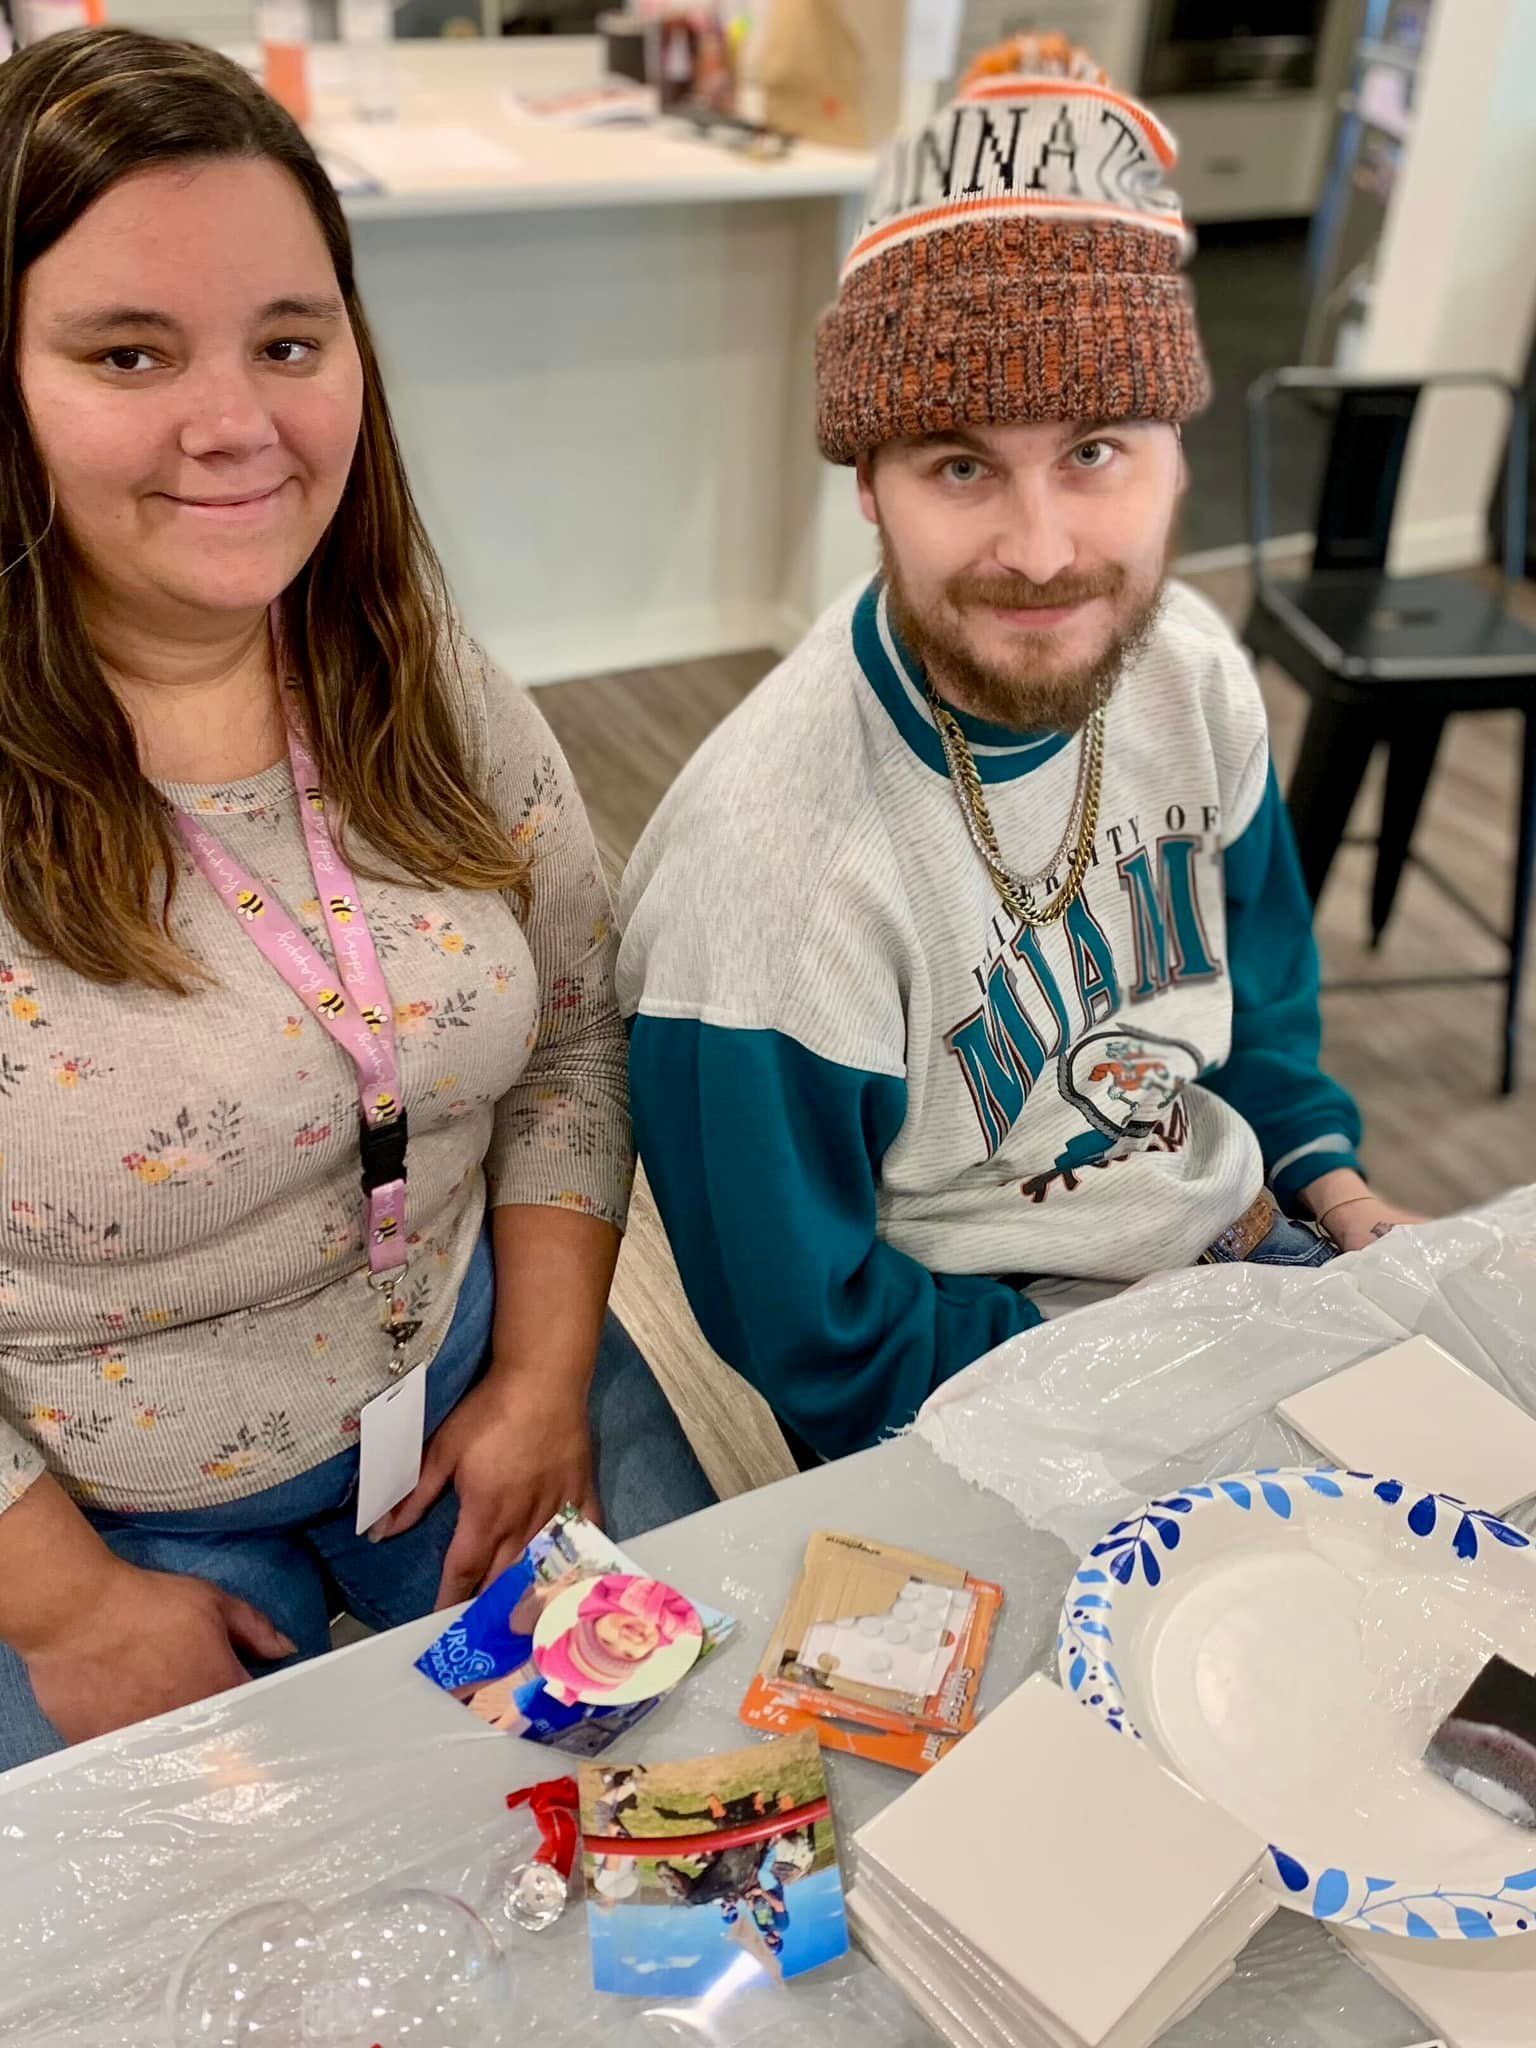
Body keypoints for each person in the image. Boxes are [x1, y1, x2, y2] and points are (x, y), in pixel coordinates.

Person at [0, 28, 714, 1774]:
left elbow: (569, 1037)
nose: (239, 425)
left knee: (707, 1822)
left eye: (290, 342)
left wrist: (545, 1376)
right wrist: (67, 1608)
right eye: (127, 351)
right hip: (97, 1516)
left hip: (480, 1384)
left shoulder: (414, 671)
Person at [618, 33, 1424, 1466]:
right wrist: (1175, 1389)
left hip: (1259, 1255)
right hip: (995, 1400)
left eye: (1098, 449)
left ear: (1179, 448)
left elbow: (1266, 1010)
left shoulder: (1191, 673)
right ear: (867, 482)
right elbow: (822, 1343)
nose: (1043, 553)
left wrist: (1334, 1188)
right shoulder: (759, 898)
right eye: (960, 464)